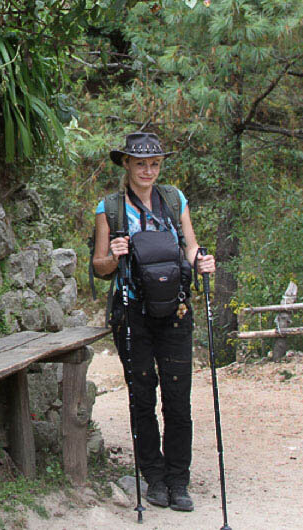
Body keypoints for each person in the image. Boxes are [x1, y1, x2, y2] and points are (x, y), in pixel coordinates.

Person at [92, 131, 216, 512]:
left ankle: (179, 480)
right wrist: (113, 255)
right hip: (131, 314)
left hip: (176, 311)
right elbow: (99, 267)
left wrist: (201, 261)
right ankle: (154, 478)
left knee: (177, 398)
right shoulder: (109, 209)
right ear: (126, 164)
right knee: (141, 396)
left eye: (155, 163)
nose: (148, 170)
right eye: (141, 163)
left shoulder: (174, 200)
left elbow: (189, 245)